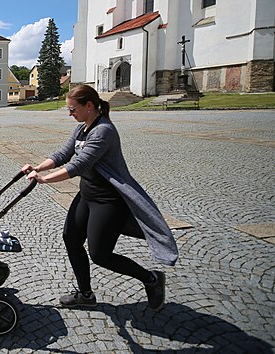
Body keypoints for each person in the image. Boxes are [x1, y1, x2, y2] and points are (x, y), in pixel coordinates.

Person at [22, 84, 178, 310]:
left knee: (100, 255)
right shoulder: (82, 129)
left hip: (108, 201)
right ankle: (85, 295)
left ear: (89, 106)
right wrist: (38, 167)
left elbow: (80, 164)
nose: (69, 113)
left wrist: (45, 179)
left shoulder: (104, 130)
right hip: (87, 194)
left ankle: (151, 279)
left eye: (72, 109)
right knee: (71, 238)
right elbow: (64, 154)